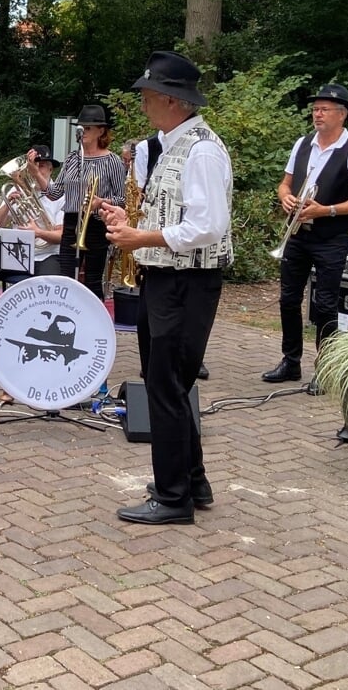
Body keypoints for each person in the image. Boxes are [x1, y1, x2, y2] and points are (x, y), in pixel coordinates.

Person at [102, 51, 233, 525]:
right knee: (168, 385)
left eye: (149, 96)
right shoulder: (166, 145)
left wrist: (144, 238)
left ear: (172, 101)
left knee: (166, 386)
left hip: (187, 281)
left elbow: (209, 226)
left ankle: (173, 497)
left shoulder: (202, 150)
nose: (143, 105)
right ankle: (192, 481)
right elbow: (170, 213)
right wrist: (127, 221)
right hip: (166, 278)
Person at [261, 84, 348, 384]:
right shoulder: (303, 143)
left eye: (324, 109)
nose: (317, 114)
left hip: (330, 236)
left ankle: (325, 367)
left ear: (342, 115)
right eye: (315, 109)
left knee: (325, 303)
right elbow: (285, 183)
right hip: (297, 233)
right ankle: (291, 361)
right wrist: (285, 196)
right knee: (288, 299)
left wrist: (326, 210)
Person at [128, 136, 210, 381]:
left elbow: (206, 225)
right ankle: (152, 370)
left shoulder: (203, 149)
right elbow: (139, 194)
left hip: (185, 261)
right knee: (147, 322)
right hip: (152, 257)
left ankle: (180, 365)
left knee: (177, 336)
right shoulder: (147, 148)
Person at [0, 145, 64, 340]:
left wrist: (39, 232)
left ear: (51, 169)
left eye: (42, 166)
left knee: (51, 283)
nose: (36, 169)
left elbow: (61, 236)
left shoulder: (59, 196)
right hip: (17, 253)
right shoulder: (18, 190)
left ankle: (45, 330)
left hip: (45, 254)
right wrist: (9, 202)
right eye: (34, 165)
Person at [42, 104, 127, 300]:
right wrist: (37, 174)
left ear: (101, 131)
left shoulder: (112, 161)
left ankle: (94, 322)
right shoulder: (72, 158)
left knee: (92, 280)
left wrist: (100, 202)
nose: (83, 132)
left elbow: (121, 200)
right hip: (72, 222)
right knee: (66, 277)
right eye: (81, 128)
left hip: (96, 223)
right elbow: (55, 193)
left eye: (88, 128)